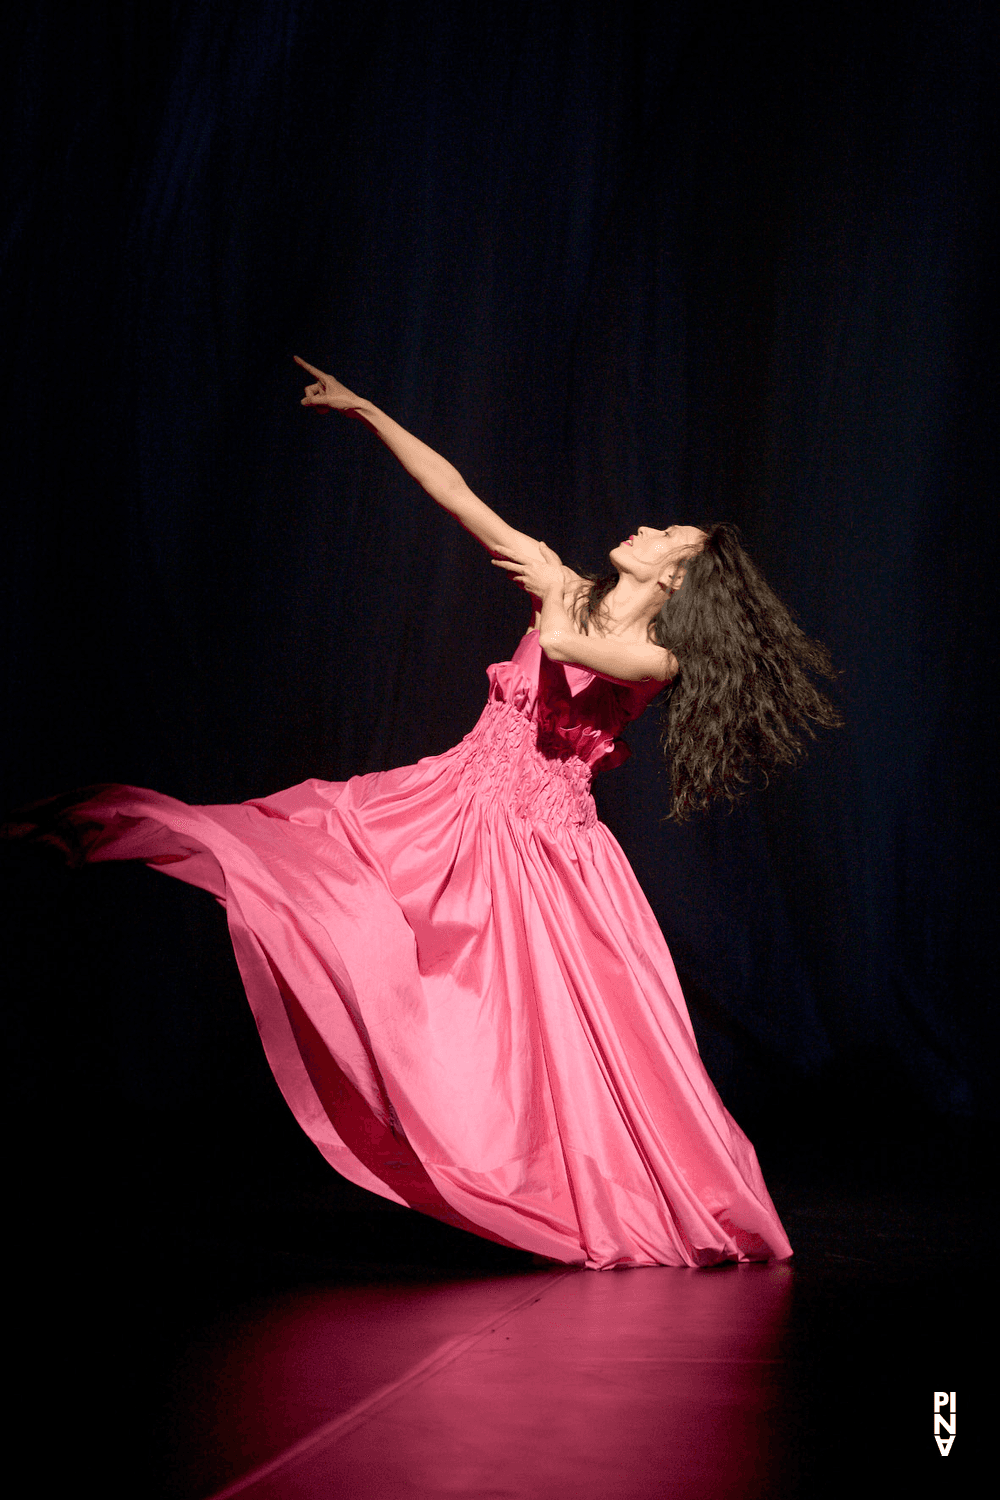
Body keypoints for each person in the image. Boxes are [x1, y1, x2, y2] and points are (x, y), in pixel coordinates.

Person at [9, 358, 841, 1269]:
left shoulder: (653, 658)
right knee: (291, 852)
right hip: (452, 803)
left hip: (544, 855)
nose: (641, 527)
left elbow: (571, 646)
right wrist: (369, 412)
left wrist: (554, 594)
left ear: (681, 579)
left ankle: (557, 1182)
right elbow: (457, 495)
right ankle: (89, 827)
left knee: (533, 1039)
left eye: (663, 534)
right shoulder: (567, 585)